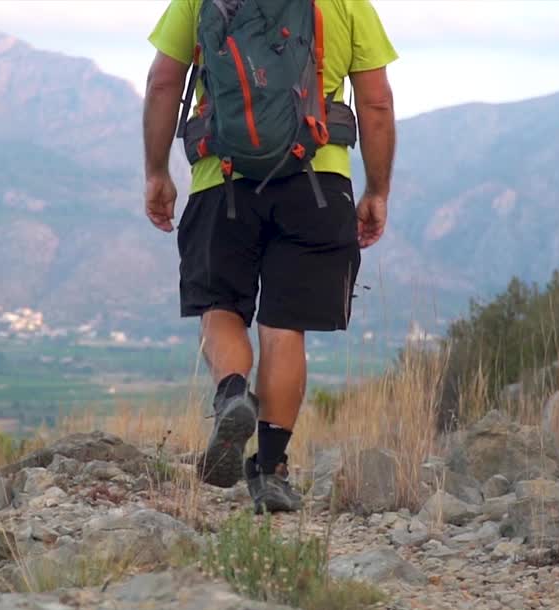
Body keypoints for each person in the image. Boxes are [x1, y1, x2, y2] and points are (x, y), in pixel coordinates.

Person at [143, 0, 398, 513]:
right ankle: (272, 470)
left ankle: (233, 393)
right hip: (317, 181)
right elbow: (376, 104)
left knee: (221, 308)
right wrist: (377, 189)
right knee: (284, 328)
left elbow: (163, 84)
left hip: (224, 178)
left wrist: (156, 172)